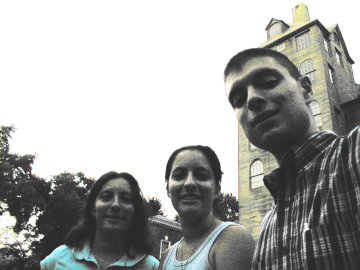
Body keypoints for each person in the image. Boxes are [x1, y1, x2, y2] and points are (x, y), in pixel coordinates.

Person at [223, 48, 360, 269]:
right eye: (238, 99)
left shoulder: (352, 157)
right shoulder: (267, 229)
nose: (251, 100)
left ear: (306, 89)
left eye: (267, 82)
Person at [159, 145, 255, 270]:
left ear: (217, 188)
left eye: (201, 176)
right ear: (167, 188)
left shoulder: (233, 238)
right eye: (179, 176)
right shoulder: (166, 257)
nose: (189, 183)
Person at [40, 171, 159, 270]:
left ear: (135, 212)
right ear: (92, 208)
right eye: (106, 197)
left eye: (126, 199)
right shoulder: (58, 259)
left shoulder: (151, 267)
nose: (115, 205)